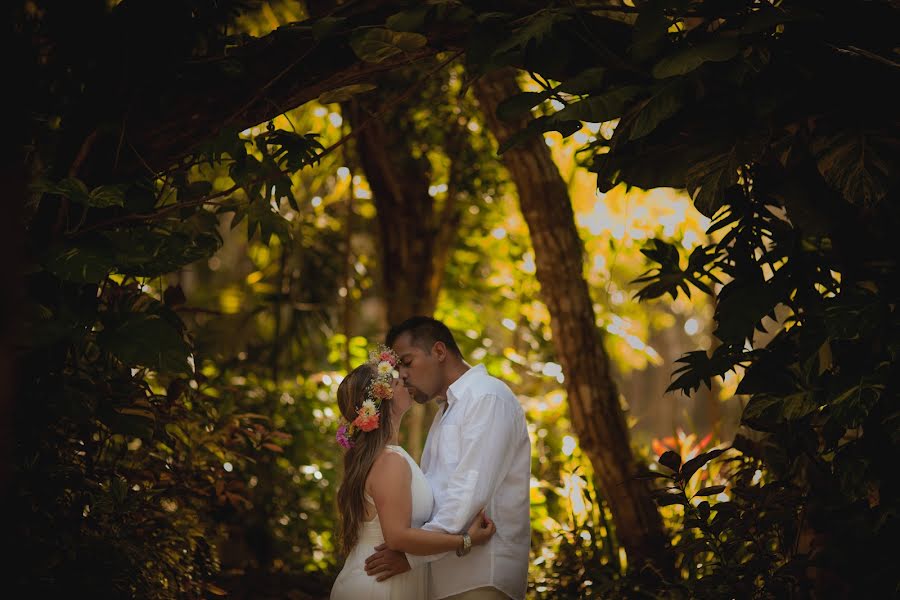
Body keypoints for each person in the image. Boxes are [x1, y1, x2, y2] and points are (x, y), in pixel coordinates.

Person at [364, 316, 531, 600]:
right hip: (445, 576)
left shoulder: (486, 397)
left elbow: (467, 493)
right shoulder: (448, 410)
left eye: (407, 361)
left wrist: (411, 556)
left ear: (439, 352)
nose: (402, 375)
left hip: (480, 578)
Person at [330, 345, 497, 600]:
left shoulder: (390, 456)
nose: (405, 381)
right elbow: (397, 538)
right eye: (396, 382)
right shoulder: (389, 461)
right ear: (382, 400)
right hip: (378, 587)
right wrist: (465, 541)